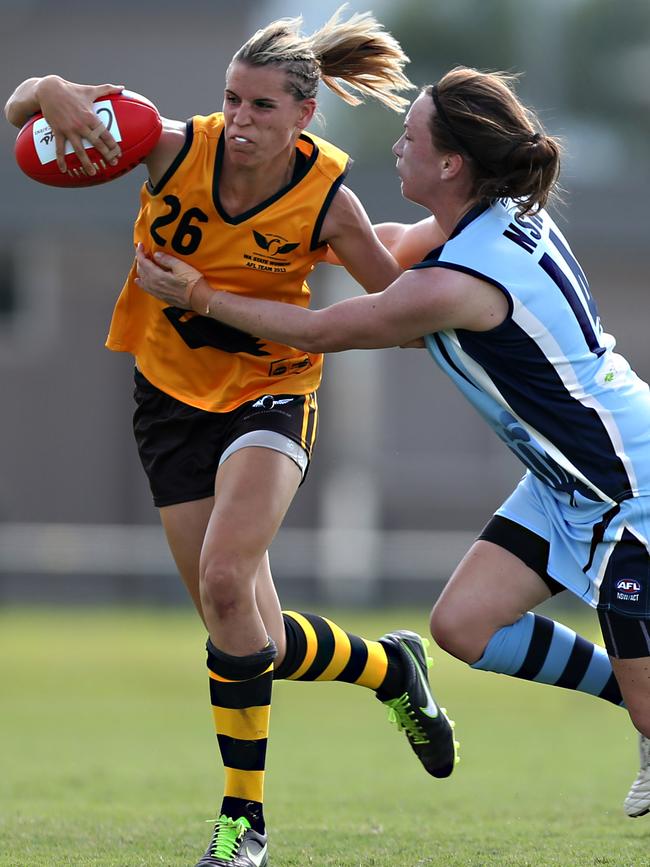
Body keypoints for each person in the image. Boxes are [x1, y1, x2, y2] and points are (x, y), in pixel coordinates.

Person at [134, 64, 650, 822]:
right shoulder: (475, 221)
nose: (397, 145)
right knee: (463, 626)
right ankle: (640, 698)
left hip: (625, 488)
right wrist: (272, 237)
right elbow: (385, 242)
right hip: (562, 481)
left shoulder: (458, 279)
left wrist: (202, 294)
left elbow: (322, 331)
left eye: (410, 135)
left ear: (451, 164)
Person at [4, 11, 461, 867]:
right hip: (168, 398)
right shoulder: (167, 146)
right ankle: (390, 670)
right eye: (230, 99)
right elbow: (20, 115)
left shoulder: (328, 202)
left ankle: (242, 822)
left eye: (259, 106)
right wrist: (47, 91)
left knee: (224, 577)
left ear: (304, 116)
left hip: (271, 394)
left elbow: (400, 310)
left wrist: (454, 251)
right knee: (244, 628)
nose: (239, 119)